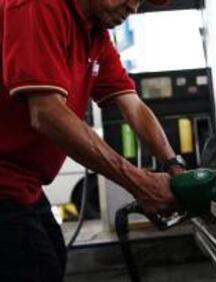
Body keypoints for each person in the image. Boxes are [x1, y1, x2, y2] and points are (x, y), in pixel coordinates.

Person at [0, 0, 185, 281]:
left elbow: (131, 104)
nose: (133, 8)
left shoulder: (96, 34)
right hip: (4, 182)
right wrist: (140, 183)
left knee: (50, 254)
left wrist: (175, 167)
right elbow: (46, 113)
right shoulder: (38, 6)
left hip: (24, 184)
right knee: (35, 264)